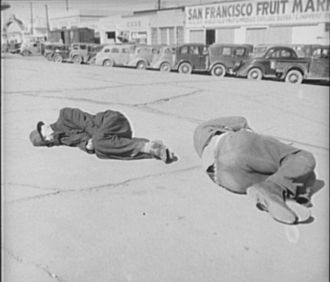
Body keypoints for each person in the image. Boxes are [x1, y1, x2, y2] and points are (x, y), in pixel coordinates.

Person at [193, 116, 316, 225]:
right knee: (303, 157)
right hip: (235, 148)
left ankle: (280, 194)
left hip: (221, 177)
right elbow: (242, 123)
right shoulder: (220, 127)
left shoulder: (201, 134)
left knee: (283, 172)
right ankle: (283, 190)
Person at [29, 107, 175, 163]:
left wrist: (94, 140)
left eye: (44, 135)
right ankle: (152, 149)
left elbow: (88, 124)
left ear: (45, 126)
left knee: (99, 142)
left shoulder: (65, 114)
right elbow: (82, 143)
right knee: (100, 152)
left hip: (114, 121)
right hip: (111, 136)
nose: (49, 139)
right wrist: (88, 146)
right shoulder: (63, 139)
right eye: (47, 142)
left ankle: (149, 147)